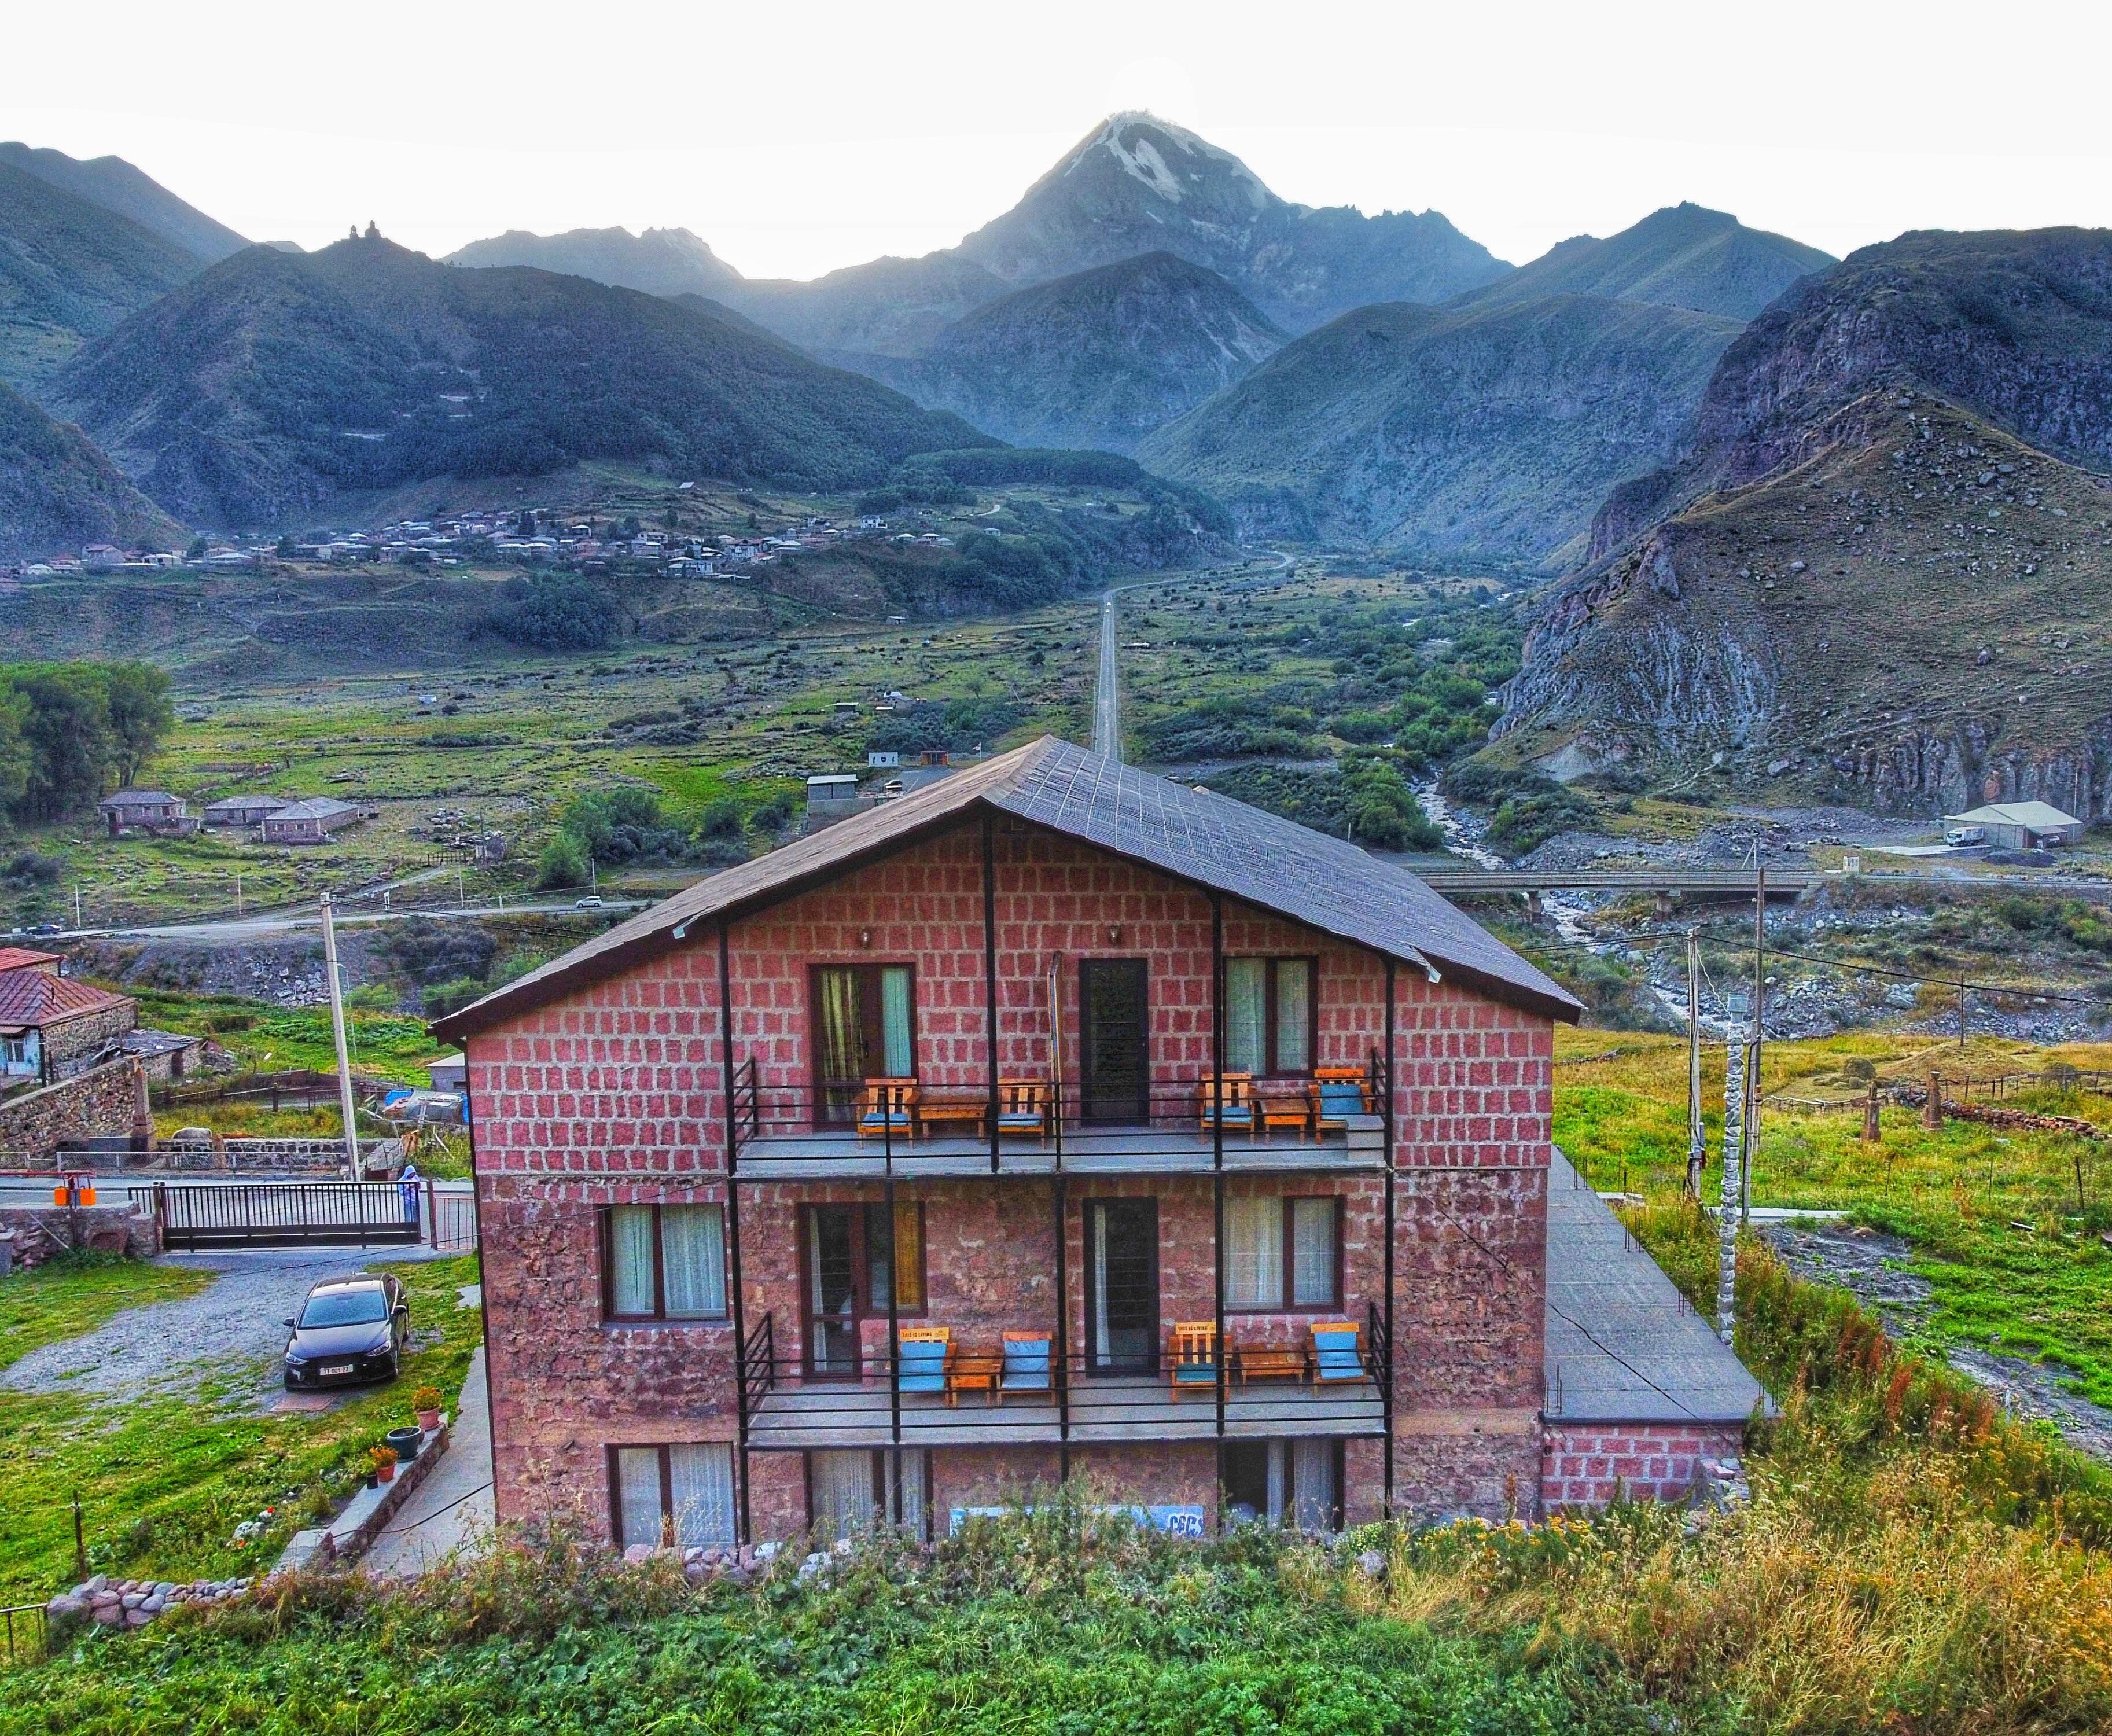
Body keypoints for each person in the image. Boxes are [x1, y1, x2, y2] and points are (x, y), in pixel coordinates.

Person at [398, 1160, 421, 1228]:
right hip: (408, 1201)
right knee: (408, 1217)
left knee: (417, 1217)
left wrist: (418, 1186)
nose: (412, 1175)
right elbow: (401, 1193)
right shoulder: (402, 1181)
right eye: (411, 1174)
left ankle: (417, 1231)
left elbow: (419, 1188)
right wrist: (408, 1189)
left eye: (413, 1174)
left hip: (416, 1199)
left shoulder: (416, 1177)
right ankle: (409, 1230)